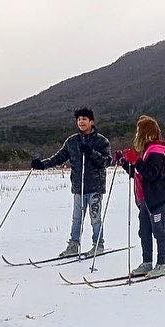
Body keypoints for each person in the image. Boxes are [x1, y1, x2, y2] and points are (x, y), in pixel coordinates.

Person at [30, 107, 112, 257]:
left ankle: (98, 244)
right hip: (78, 186)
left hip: (95, 186)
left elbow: (106, 161)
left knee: (95, 217)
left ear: (91, 122)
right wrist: (42, 164)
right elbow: (58, 157)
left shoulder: (101, 141)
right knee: (77, 218)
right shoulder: (72, 141)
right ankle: (74, 245)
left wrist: (90, 152)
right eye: (79, 119)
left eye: (84, 119)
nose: (81, 122)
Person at [116, 115, 165, 278]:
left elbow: (151, 175)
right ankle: (147, 262)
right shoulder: (146, 151)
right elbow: (138, 173)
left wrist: (136, 161)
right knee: (144, 231)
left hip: (158, 200)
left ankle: (161, 264)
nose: (137, 135)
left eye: (139, 132)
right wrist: (124, 162)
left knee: (159, 231)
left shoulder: (156, 152)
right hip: (146, 201)